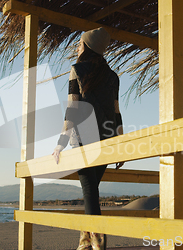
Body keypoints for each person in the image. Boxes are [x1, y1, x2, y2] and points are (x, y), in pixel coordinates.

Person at [52, 27, 124, 250]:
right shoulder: (113, 77)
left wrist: (60, 143)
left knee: (89, 190)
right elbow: (117, 111)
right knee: (92, 190)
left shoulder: (76, 70)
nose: (77, 47)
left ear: (87, 47)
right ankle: (85, 242)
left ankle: (98, 244)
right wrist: (120, 144)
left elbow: (72, 108)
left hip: (84, 137)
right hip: (108, 138)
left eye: (79, 43)